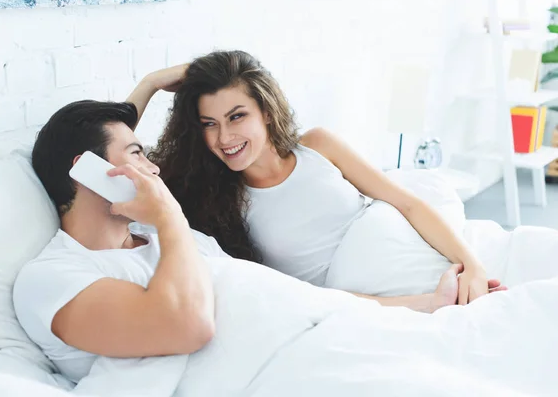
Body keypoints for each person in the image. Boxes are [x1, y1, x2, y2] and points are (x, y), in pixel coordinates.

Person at [12, 99, 502, 384]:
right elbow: (187, 327)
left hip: (327, 338)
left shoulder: (169, 241)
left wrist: (423, 306)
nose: (154, 168)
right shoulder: (52, 278)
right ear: (87, 171)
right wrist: (170, 218)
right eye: (137, 154)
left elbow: (285, 298)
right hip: (277, 374)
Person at [134, 50, 498, 310]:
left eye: (237, 116)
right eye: (209, 124)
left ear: (265, 111)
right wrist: (150, 84)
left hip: (414, 251)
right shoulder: (216, 203)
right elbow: (105, 160)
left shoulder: (317, 146)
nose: (225, 137)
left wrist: (474, 266)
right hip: (391, 299)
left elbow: (408, 203)